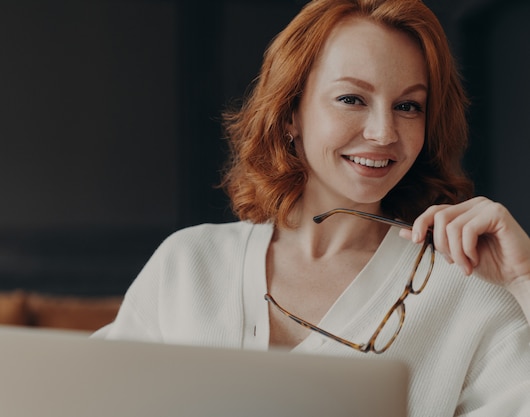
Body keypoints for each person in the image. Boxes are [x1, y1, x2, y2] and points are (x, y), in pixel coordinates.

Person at [94, 0, 530, 415]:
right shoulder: (188, 263)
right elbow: (84, 399)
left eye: (408, 106)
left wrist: (525, 278)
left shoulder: (469, 288)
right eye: (352, 99)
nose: (383, 132)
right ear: (290, 113)